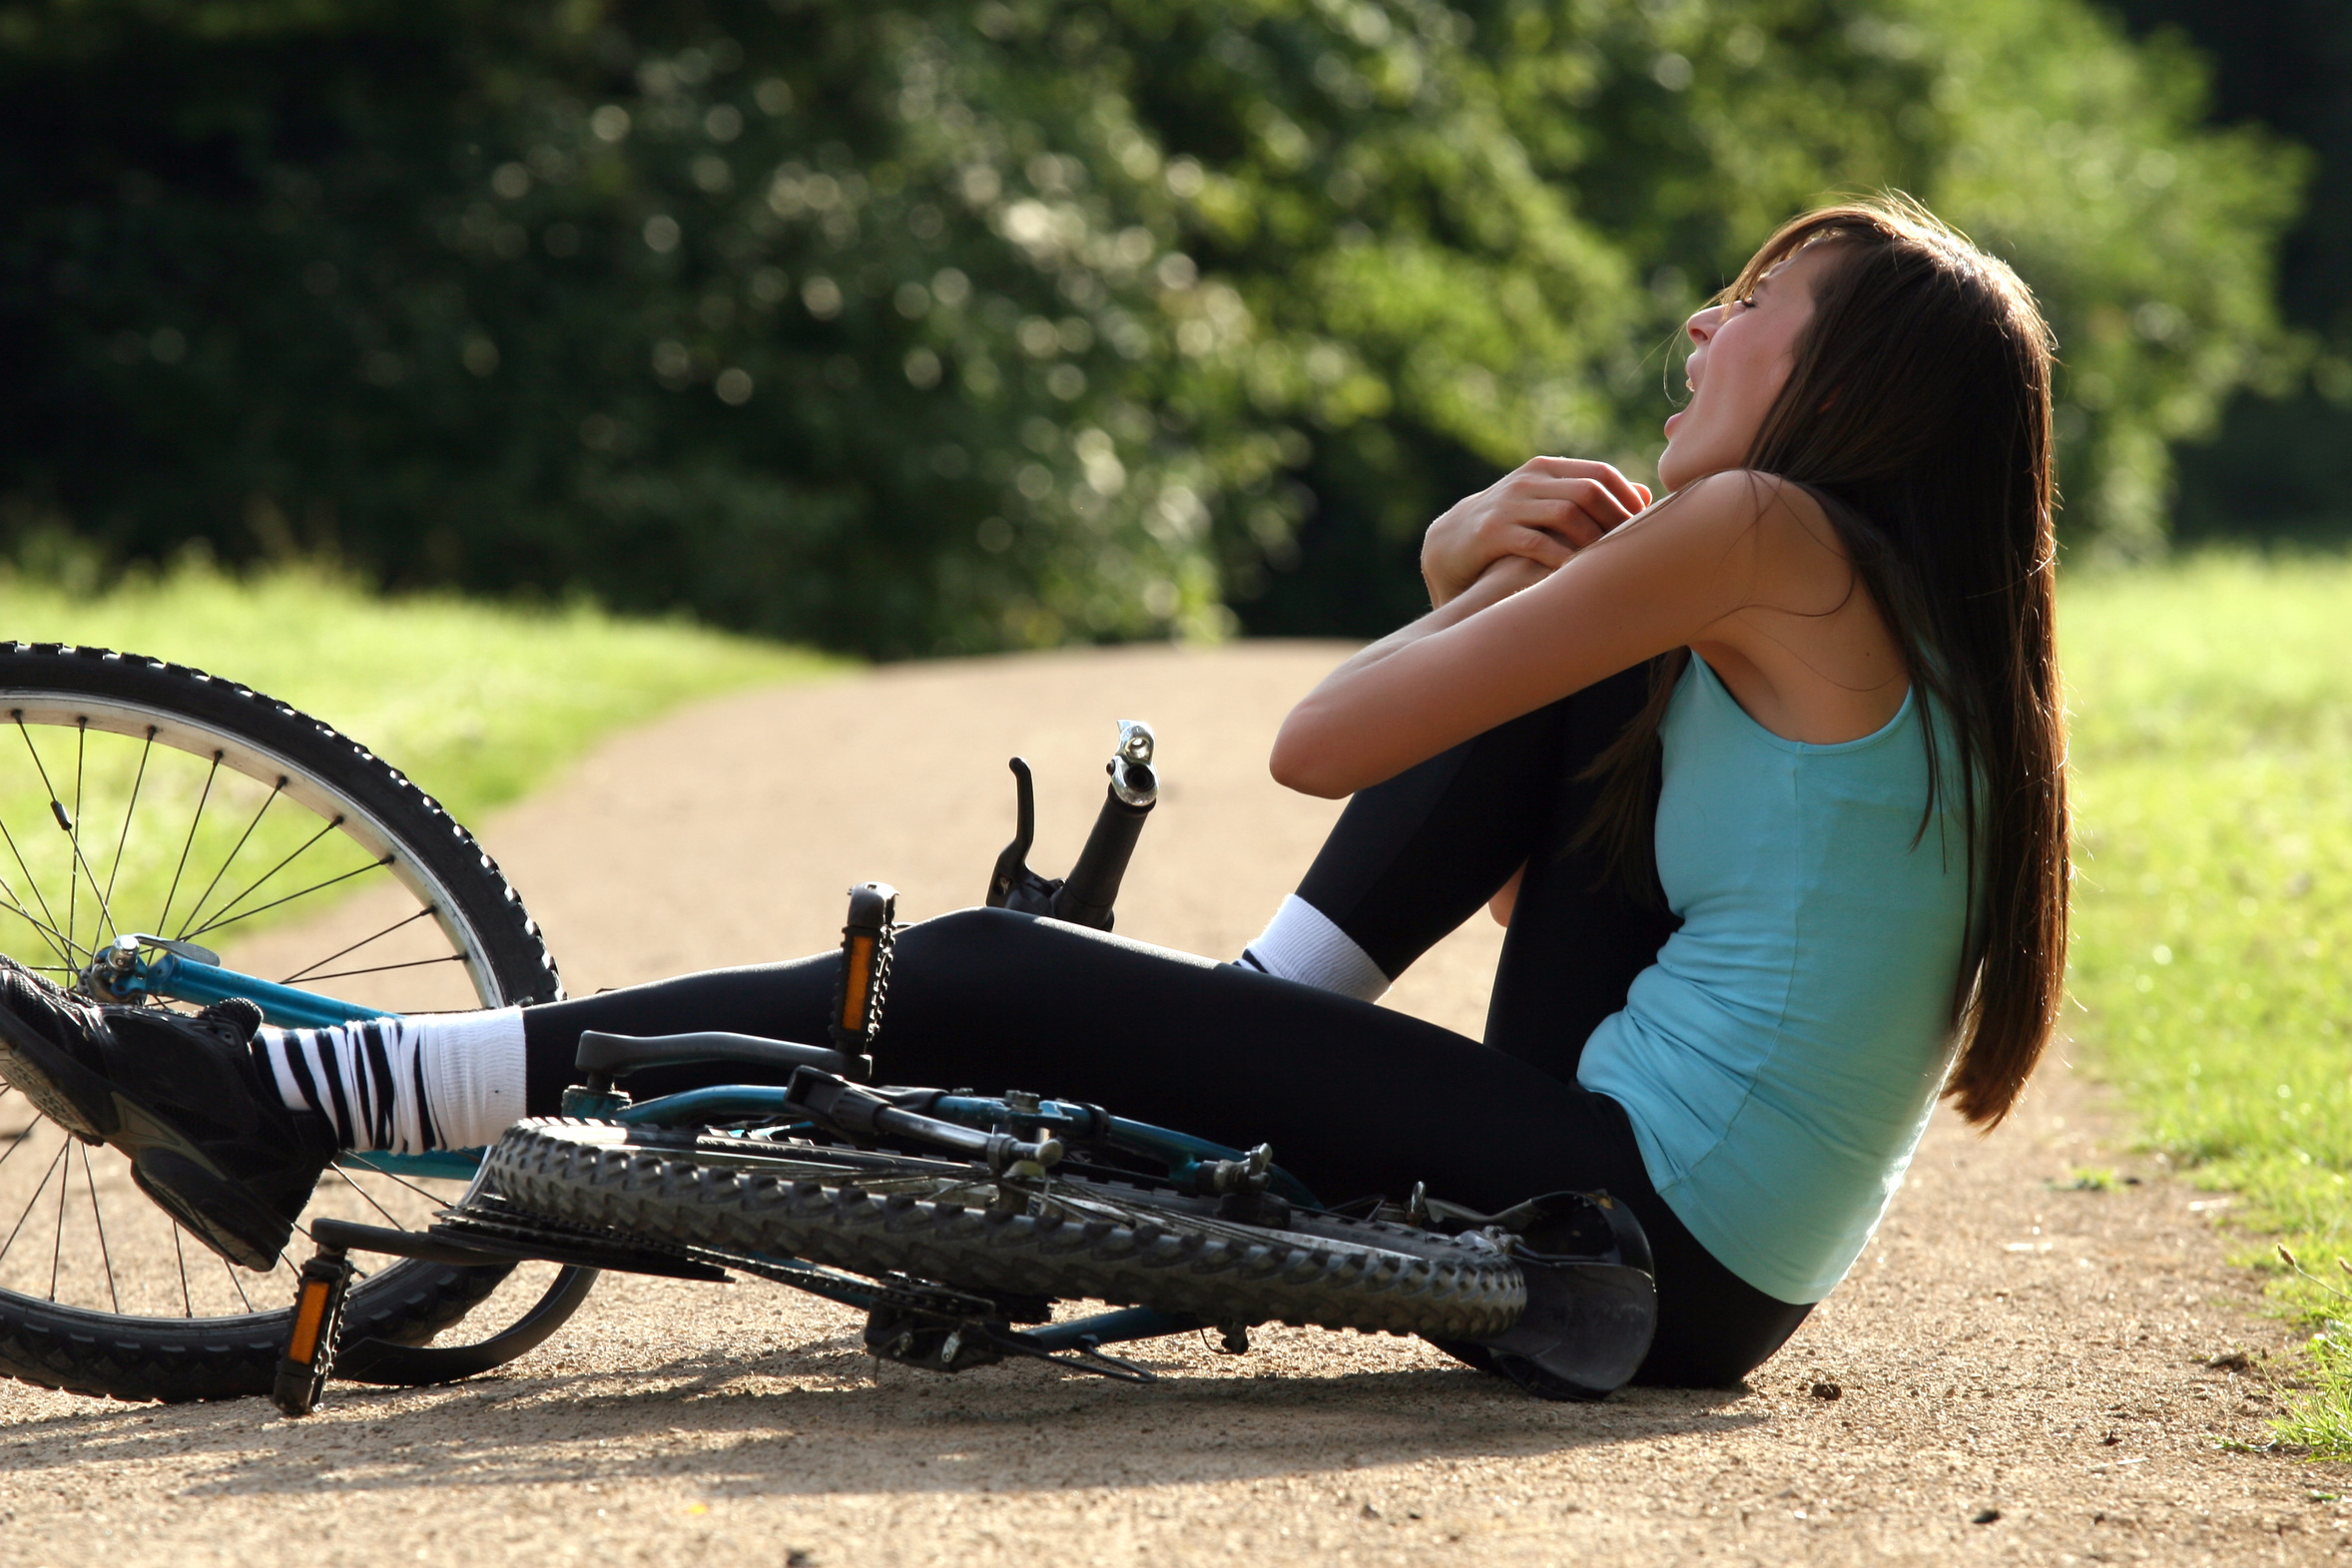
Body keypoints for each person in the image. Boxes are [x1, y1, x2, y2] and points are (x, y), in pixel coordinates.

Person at [0, 194, 2067, 1392]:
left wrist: (1452, 564)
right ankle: (1224, 1029)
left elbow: (1323, 744)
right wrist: (1498, 608)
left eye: (1755, 308)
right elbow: (1543, 897)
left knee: (982, 967)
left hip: (1648, 1248)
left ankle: (311, 1099)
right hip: (1681, 1238)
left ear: (1844, 389)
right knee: (1525, 688)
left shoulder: (1762, 536)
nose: (1702, 322)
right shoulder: (1863, 605)